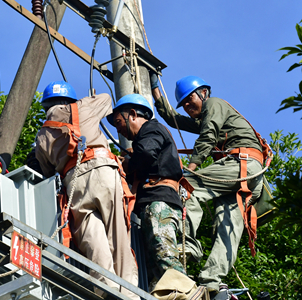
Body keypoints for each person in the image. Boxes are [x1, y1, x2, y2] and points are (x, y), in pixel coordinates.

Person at [150, 74, 264, 298]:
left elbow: (208, 134)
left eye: (189, 100)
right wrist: (154, 89)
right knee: (227, 225)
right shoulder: (205, 115)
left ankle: (185, 246)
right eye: (183, 104)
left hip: (242, 164)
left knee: (188, 185)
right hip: (248, 176)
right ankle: (212, 280)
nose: (186, 106)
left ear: (203, 93)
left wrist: (191, 167)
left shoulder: (214, 104)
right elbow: (173, 119)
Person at [35, 81, 139, 300]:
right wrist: (88, 101)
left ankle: (106, 288)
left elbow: (47, 172)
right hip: (102, 170)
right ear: (70, 99)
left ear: (46, 105)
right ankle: (128, 293)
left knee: (92, 239)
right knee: (117, 233)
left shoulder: (42, 135)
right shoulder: (82, 107)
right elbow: (108, 100)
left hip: (73, 182)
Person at [107, 93, 189, 287]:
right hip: (153, 201)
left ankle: (184, 292)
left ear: (133, 114)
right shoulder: (147, 137)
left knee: (164, 254)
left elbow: (145, 153)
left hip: (159, 201)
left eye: (119, 122)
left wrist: (128, 164)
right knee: (154, 271)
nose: (119, 129)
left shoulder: (151, 129)